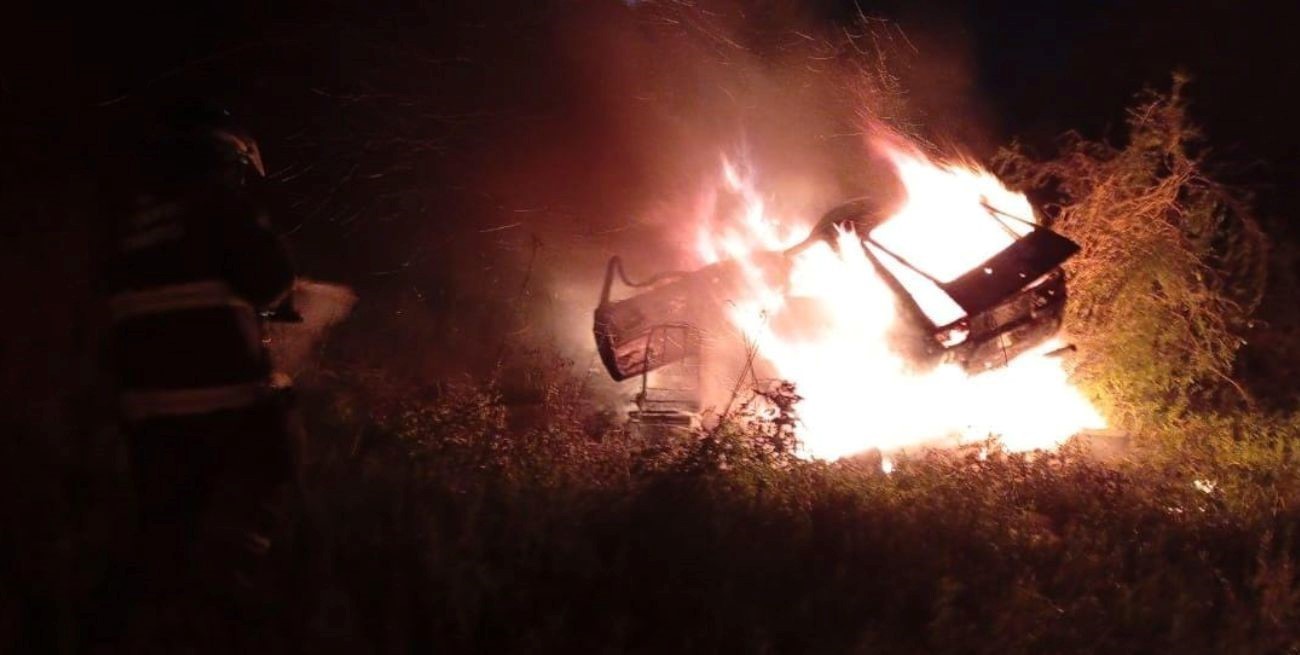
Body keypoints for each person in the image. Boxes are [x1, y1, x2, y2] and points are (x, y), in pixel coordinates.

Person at [100, 101, 299, 639]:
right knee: (275, 454)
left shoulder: (131, 221)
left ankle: (152, 621)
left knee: (166, 527)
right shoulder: (220, 206)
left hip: (144, 413)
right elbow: (273, 281)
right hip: (219, 406)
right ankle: (235, 598)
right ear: (226, 160)